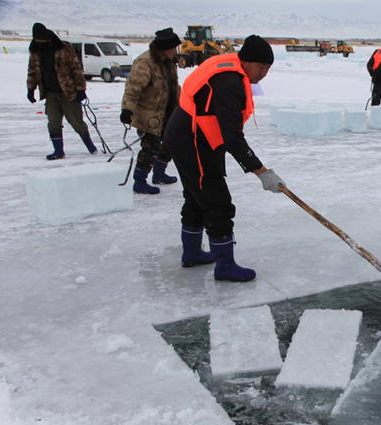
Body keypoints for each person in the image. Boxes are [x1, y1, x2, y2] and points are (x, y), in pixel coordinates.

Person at [164, 35, 285, 282]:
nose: (264, 74)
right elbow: (232, 137)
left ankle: (193, 252)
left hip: (195, 136)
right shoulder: (229, 82)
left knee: (198, 198)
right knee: (217, 202)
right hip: (193, 140)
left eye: (268, 69)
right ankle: (225, 266)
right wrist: (262, 172)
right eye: (261, 67)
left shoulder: (231, 69)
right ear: (247, 61)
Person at [120, 28, 182, 194]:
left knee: (170, 142)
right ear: (165, 48)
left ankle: (159, 174)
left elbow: (173, 87)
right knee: (151, 147)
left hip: (168, 111)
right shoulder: (145, 62)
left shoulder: (169, 62)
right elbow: (133, 88)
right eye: (173, 47)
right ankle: (139, 181)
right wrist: (127, 109)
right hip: (149, 114)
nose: (175, 51)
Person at [26, 22, 98, 160]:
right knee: (53, 123)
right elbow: (32, 71)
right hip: (50, 94)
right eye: (37, 41)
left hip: (68, 93)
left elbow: (76, 70)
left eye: (42, 41)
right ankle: (58, 151)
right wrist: (31, 89)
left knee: (76, 123)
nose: (40, 43)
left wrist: (81, 90)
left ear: (47, 37)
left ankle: (90, 146)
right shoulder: (35, 51)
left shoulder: (64, 48)